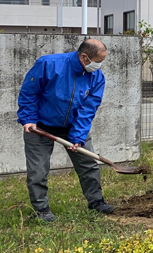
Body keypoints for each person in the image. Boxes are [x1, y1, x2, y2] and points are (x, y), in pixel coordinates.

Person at [17, 39, 113, 222]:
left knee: (89, 164)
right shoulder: (49, 64)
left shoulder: (97, 77)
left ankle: (96, 201)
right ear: (84, 57)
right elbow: (29, 92)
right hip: (40, 126)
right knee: (38, 170)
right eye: (97, 61)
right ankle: (41, 209)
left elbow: (88, 109)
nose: (99, 65)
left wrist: (78, 135)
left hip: (73, 126)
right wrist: (28, 119)